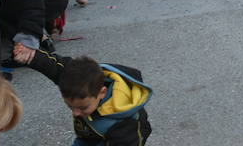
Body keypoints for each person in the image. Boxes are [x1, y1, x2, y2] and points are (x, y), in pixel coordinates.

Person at [11, 49, 151, 146]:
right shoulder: (76, 79)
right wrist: (32, 56)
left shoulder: (125, 122)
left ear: (102, 92)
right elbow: (55, 67)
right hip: (87, 137)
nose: (75, 113)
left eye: (82, 107)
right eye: (69, 106)